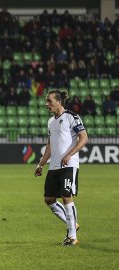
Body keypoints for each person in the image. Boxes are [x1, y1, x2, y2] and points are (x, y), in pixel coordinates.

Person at [34, 89, 88, 246]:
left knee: (66, 196)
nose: (46, 104)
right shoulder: (51, 122)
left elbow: (84, 138)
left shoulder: (72, 116)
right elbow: (50, 146)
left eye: (49, 101)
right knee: (49, 199)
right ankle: (72, 224)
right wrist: (41, 164)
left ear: (59, 102)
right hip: (54, 166)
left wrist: (70, 155)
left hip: (69, 165)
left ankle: (72, 236)